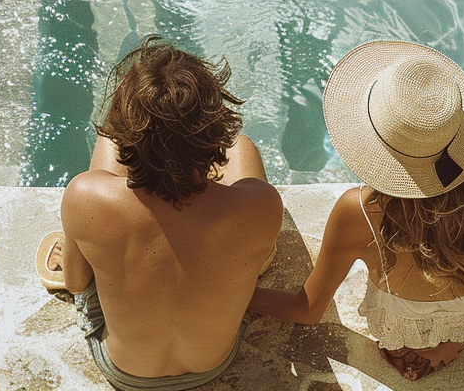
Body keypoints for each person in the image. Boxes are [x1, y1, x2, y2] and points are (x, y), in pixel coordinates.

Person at [247, 40, 464, 381]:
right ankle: (454, 340)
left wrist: (238, 297)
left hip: (405, 329)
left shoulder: (358, 211)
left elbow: (309, 308)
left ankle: (428, 344)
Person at [42, 36, 283, 390]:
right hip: (214, 363)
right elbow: (233, 148)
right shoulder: (262, 205)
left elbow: (77, 283)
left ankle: (95, 227)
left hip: (125, 370)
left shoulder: (82, 194)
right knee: (242, 146)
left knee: (107, 139)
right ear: (215, 130)